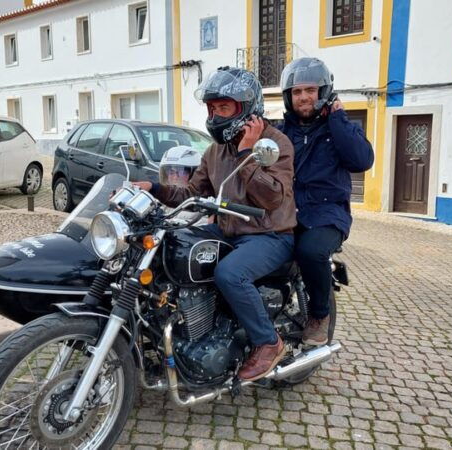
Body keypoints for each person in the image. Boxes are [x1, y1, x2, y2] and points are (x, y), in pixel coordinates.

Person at [132, 67, 297, 381]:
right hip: (227, 230)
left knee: (230, 273)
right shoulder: (215, 151)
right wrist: (154, 188)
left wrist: (248, 151)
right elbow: (193, 191)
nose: (216, 115)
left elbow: (272, 198)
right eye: (212, 108)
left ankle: (268, 342)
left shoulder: (275, 144)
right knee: (171, 243)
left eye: (224, 108)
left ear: (247, 108)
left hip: (270, 234)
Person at [277, 57, 374, 346]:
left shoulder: (339, 128)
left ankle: (320, 315)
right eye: (297, 92)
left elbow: (361, 160)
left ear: (324, 93)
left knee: (311, 250)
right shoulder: (282, 133)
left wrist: (337, 118)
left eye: (311, 90)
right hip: (289, 213)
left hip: (328, 214)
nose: (304, 97)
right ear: (288, 97)